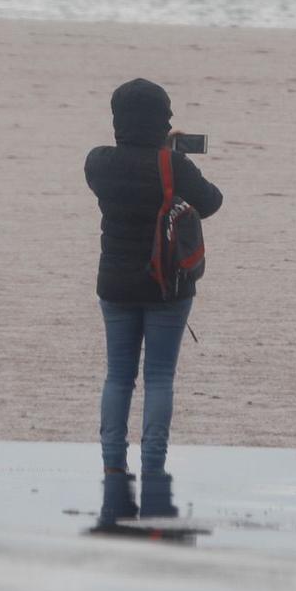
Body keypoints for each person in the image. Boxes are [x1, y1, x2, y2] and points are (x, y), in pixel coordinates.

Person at [84, 78, 223, 522]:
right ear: (161, 119)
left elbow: (129, 168)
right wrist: (175, 157)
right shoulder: (172, 166)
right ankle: (154, 463)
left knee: (118, 376)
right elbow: (212, 202)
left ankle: (111, 461)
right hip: (168, 287)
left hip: (115, 284)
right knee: (159, 377)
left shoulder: (98, 163)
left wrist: (163, 154)